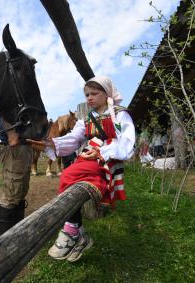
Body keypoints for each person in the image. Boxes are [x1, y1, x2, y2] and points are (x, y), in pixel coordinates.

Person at [27, 76, 135, 262]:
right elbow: (75, 139)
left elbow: (127, 141)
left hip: (108, 157)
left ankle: (71, 230)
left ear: (107, 93)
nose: (89, 98)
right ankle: (76, 230)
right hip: (88, 156)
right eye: (87, 94)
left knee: (69, 173)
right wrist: (50, 144)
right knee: (68, 176)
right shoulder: (87, 118)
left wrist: (102, 151)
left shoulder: (119, 114)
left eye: (94, 93)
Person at [0, 118, 33, 235]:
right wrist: (11, 134)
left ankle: (17, 233)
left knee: (21, 191)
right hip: (14, 145)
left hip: (25, 145)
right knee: (12, 194)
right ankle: (6, 240)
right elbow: (3, 106)